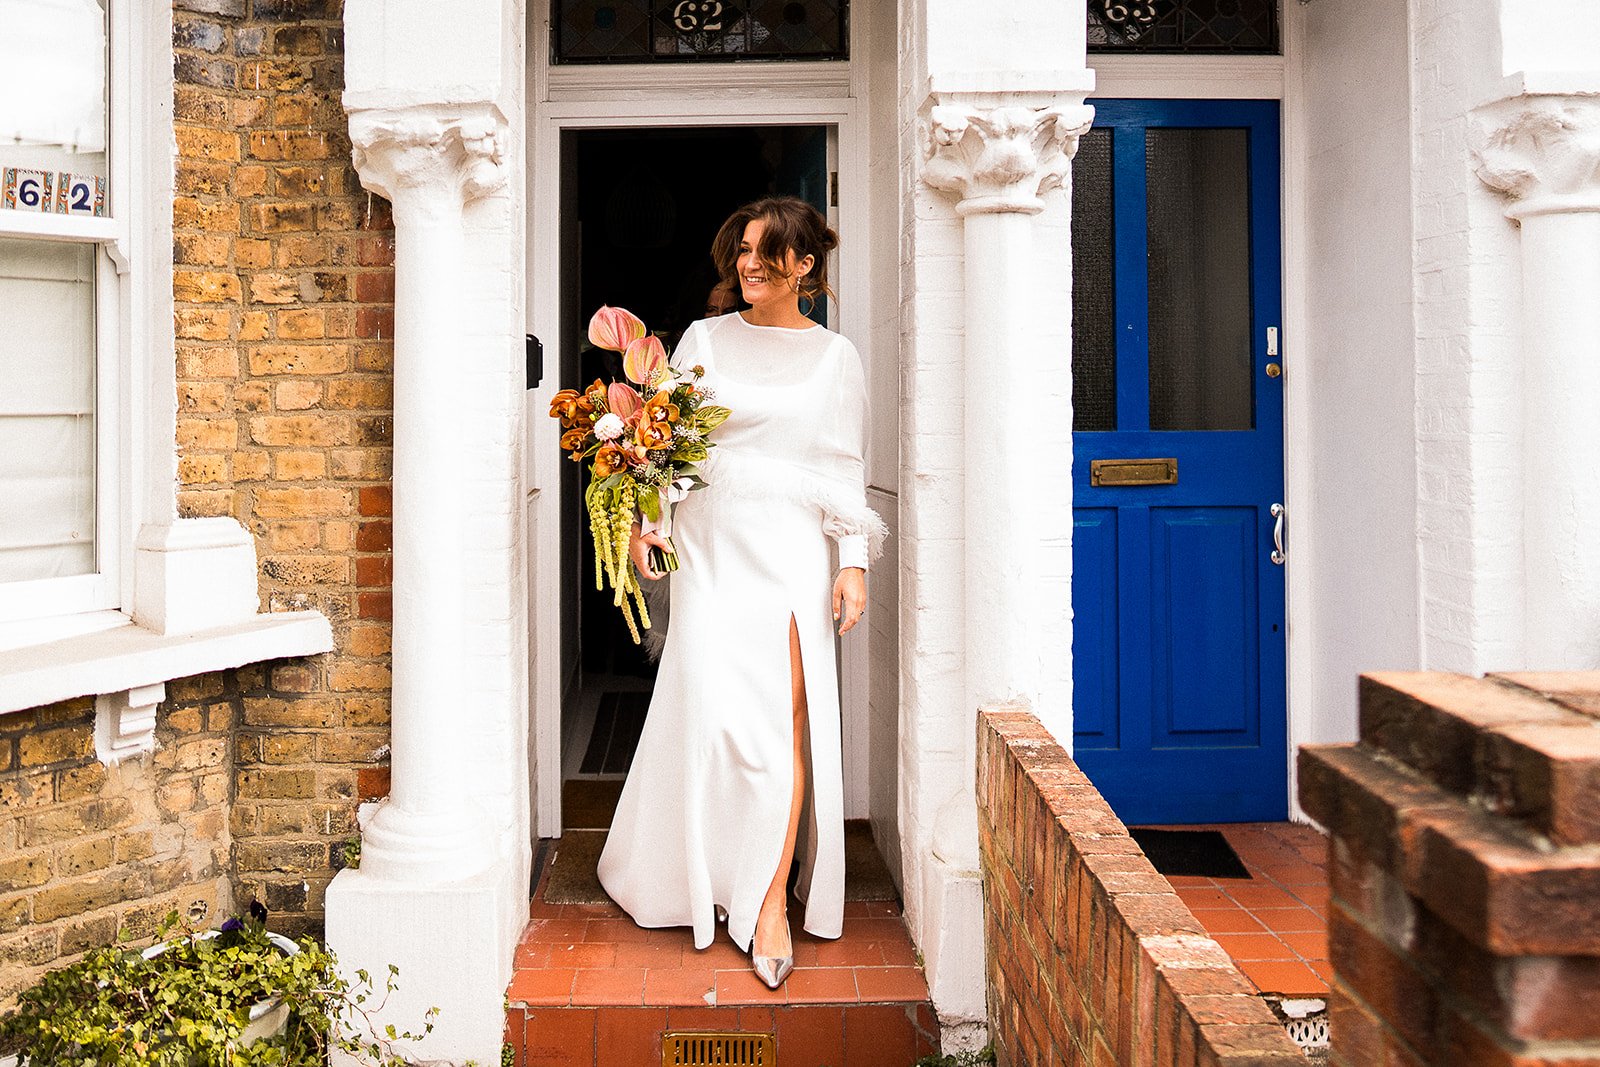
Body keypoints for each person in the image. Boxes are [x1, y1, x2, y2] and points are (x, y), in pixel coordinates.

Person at [596, 196, 884, 988]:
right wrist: (647, 520)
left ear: (805, 266)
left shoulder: (836, 358)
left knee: (782, 728)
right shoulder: (703, 339)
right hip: (711, 544)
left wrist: (851, 559)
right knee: (718, 721)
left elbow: (840, 467)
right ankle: (700, 872)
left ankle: (768, 903)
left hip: (792, 552)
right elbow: (667, 443)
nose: (750, 264)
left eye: (767, 252)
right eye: (742, 251)